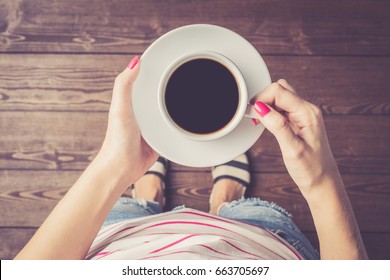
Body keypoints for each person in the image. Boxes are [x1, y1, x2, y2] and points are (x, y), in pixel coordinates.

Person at [15, 56, 368, 260]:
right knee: (247, 213)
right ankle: (226, 199)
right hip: (260, 239)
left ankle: (146, 193)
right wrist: (321, 181)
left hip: (119, 236)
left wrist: (115, 166)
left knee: (130, 207)